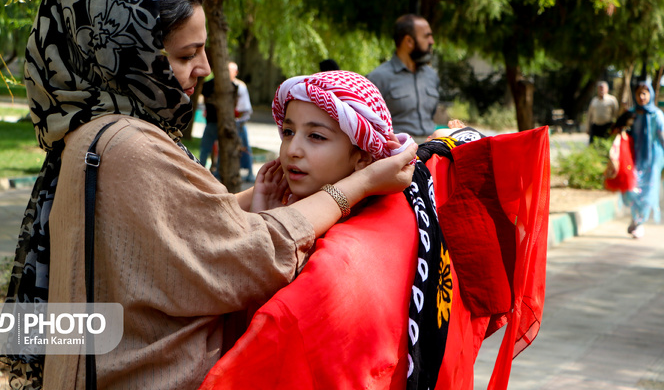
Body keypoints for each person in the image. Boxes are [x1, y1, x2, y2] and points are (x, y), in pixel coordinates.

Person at [2, 0, 416, 390]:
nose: (205, 68)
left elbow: (173, 224)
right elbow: (255, 255)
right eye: (186, 54)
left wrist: (249, 205)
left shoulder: (92, 133)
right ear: (123, 54)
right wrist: (361, 185)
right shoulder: (129, 145)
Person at [201, 71, 550, 390]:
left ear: (363, 158)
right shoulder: (331, 209)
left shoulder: (352, 250)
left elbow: (278, 339)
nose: (293, 150)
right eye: (289, 132)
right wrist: (264, 218)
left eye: (316, 136)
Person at [367, 14, 440, 141]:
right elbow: (367, 125)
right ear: (409, 41)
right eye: (427, 36)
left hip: (431, 150)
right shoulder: (378, 78)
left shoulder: (432, 76)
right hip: (396, 154)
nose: (431, 41)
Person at [621, 80, 664, 239]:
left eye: (644, 93)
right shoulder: (631, 113)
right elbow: (619, 132)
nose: (641, 96)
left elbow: (662, 137)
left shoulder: (656, 115)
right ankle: (635, 219)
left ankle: (639, 223)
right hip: (632, 159)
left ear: (650, 95)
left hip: (652, 161)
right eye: (638, 93)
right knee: (632, 190)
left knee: (646, 193)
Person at [199, 72, 237, 176]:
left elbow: (205, 101)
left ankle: (201, 170)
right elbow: (235, 102)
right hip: (223, 123)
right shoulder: (230, 85)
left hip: (212, 121)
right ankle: (218, 172)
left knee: (205, 148)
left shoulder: (208, 85)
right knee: (221, 149)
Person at [230, 61, 255, 182]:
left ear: (236, 72)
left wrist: (236, 115)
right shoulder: (225, 84)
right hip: (231, 121)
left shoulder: (240, 86)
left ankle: (250, 172)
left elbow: (244, 108)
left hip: (239, 121)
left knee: (244, 147)